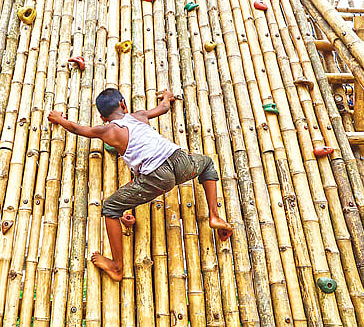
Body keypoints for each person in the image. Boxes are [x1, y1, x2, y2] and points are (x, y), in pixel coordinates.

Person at [47, 88, 233, 281]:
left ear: (103, 118)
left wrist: (59, 119)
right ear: (123, 104)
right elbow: (162, 108)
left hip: (157, 176)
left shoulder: (107, 130)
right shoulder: (139, 116)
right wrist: (168, 97)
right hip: (180, 161)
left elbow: (78, 129)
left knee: (110, 207)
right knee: (207, 163)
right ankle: (214, 215)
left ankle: (117, 267)